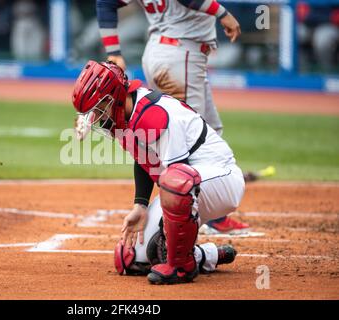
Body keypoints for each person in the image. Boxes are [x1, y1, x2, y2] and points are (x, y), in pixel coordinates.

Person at [72, 60, 244, 284]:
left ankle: (182, 268)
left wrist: (165, 229)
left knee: (175, 184)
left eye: (99, 107)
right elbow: (145, 160)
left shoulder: (154, 114)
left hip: (221, 177)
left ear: (114, 97)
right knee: (131, 259)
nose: (97, 116)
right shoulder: (123, 118)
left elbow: (178, 174)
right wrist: (140, 205)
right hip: (190, 181)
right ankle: (207, 255)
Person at [93, 0, 249, 234]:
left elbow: (105, 2)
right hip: (180, 54)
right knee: (182, 140)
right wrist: (223, 13)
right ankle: (183, 217)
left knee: (210, 131)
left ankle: (214, 214)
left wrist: (113, 51)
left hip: (166, 52)